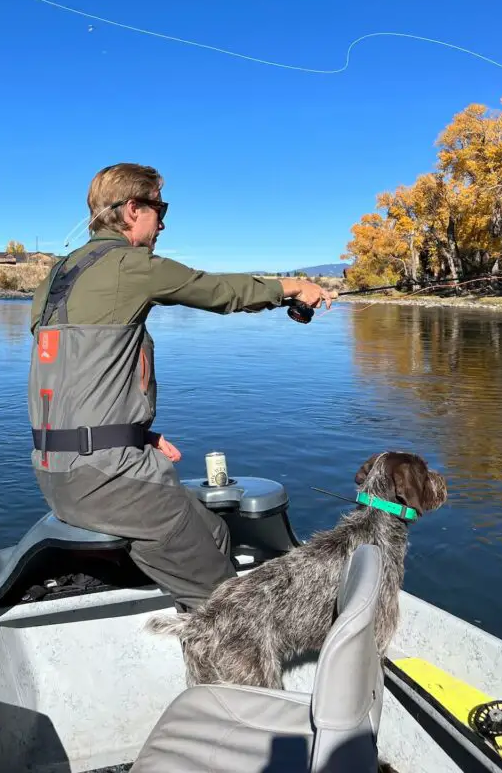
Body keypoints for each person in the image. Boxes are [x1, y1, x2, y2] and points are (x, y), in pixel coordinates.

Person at [28, 163, 332, 612]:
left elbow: (72, 373)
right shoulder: (130, 265)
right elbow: (216, 290)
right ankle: (225, 648)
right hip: (107, 479)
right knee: (228, 607)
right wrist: (293, 286)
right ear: (132, 210)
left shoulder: (58, 274)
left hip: (60, 472)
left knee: (215, 531)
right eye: (159, 209)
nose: (163, 222)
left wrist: (135, 433)